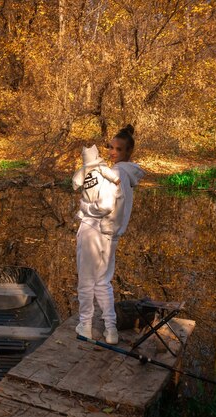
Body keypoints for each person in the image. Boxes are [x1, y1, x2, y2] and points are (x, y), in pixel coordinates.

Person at [75, 124, 145, 345]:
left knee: (86, 281)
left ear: (128, 152)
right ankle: (111, 329)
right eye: (111, 147)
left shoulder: (115, 173)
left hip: (94, 229)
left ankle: (85, 325)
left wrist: (84, 208)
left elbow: (103, 206)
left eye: (119, 149)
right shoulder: (128, 175)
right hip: (111, 235)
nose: (113, 152)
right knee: (103, 282)